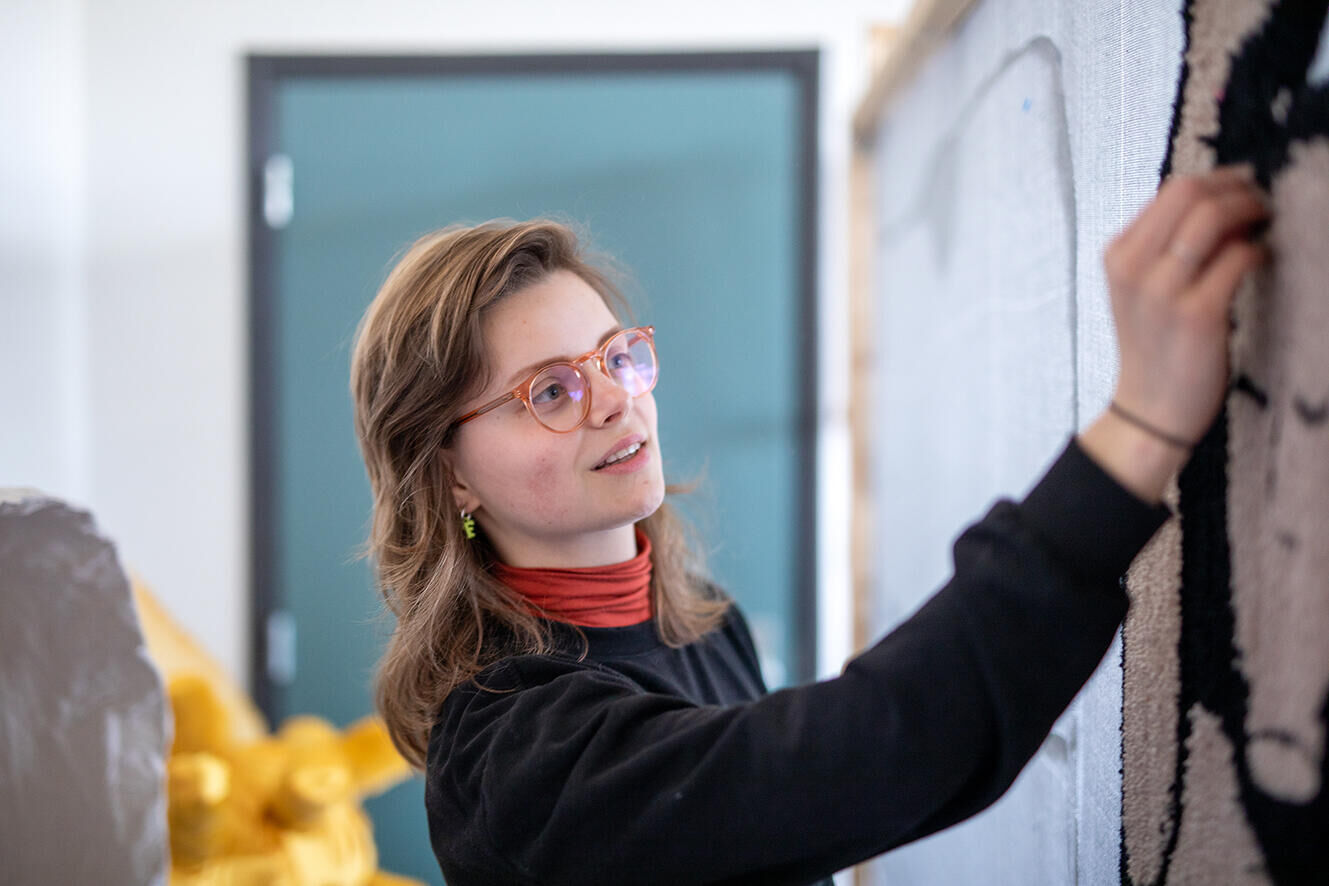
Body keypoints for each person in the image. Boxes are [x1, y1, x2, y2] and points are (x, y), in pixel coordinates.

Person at [348, 166, 1269, 885]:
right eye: (550, 390)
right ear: (451, 476)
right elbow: (871, 752)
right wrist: (1140, 427)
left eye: (615, 357)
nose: (612, 403)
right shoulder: (512, 754)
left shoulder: (700, 620)